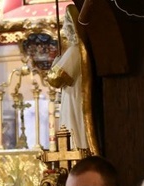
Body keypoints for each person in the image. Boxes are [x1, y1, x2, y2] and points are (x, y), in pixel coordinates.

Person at [47, 4, 96, 151]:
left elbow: (55, 79)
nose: (64, 30)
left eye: (67, 25)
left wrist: (55, 64)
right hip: (76, 96)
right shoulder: (83, 50)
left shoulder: (75, 51)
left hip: (75, 99)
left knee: (74, 130)